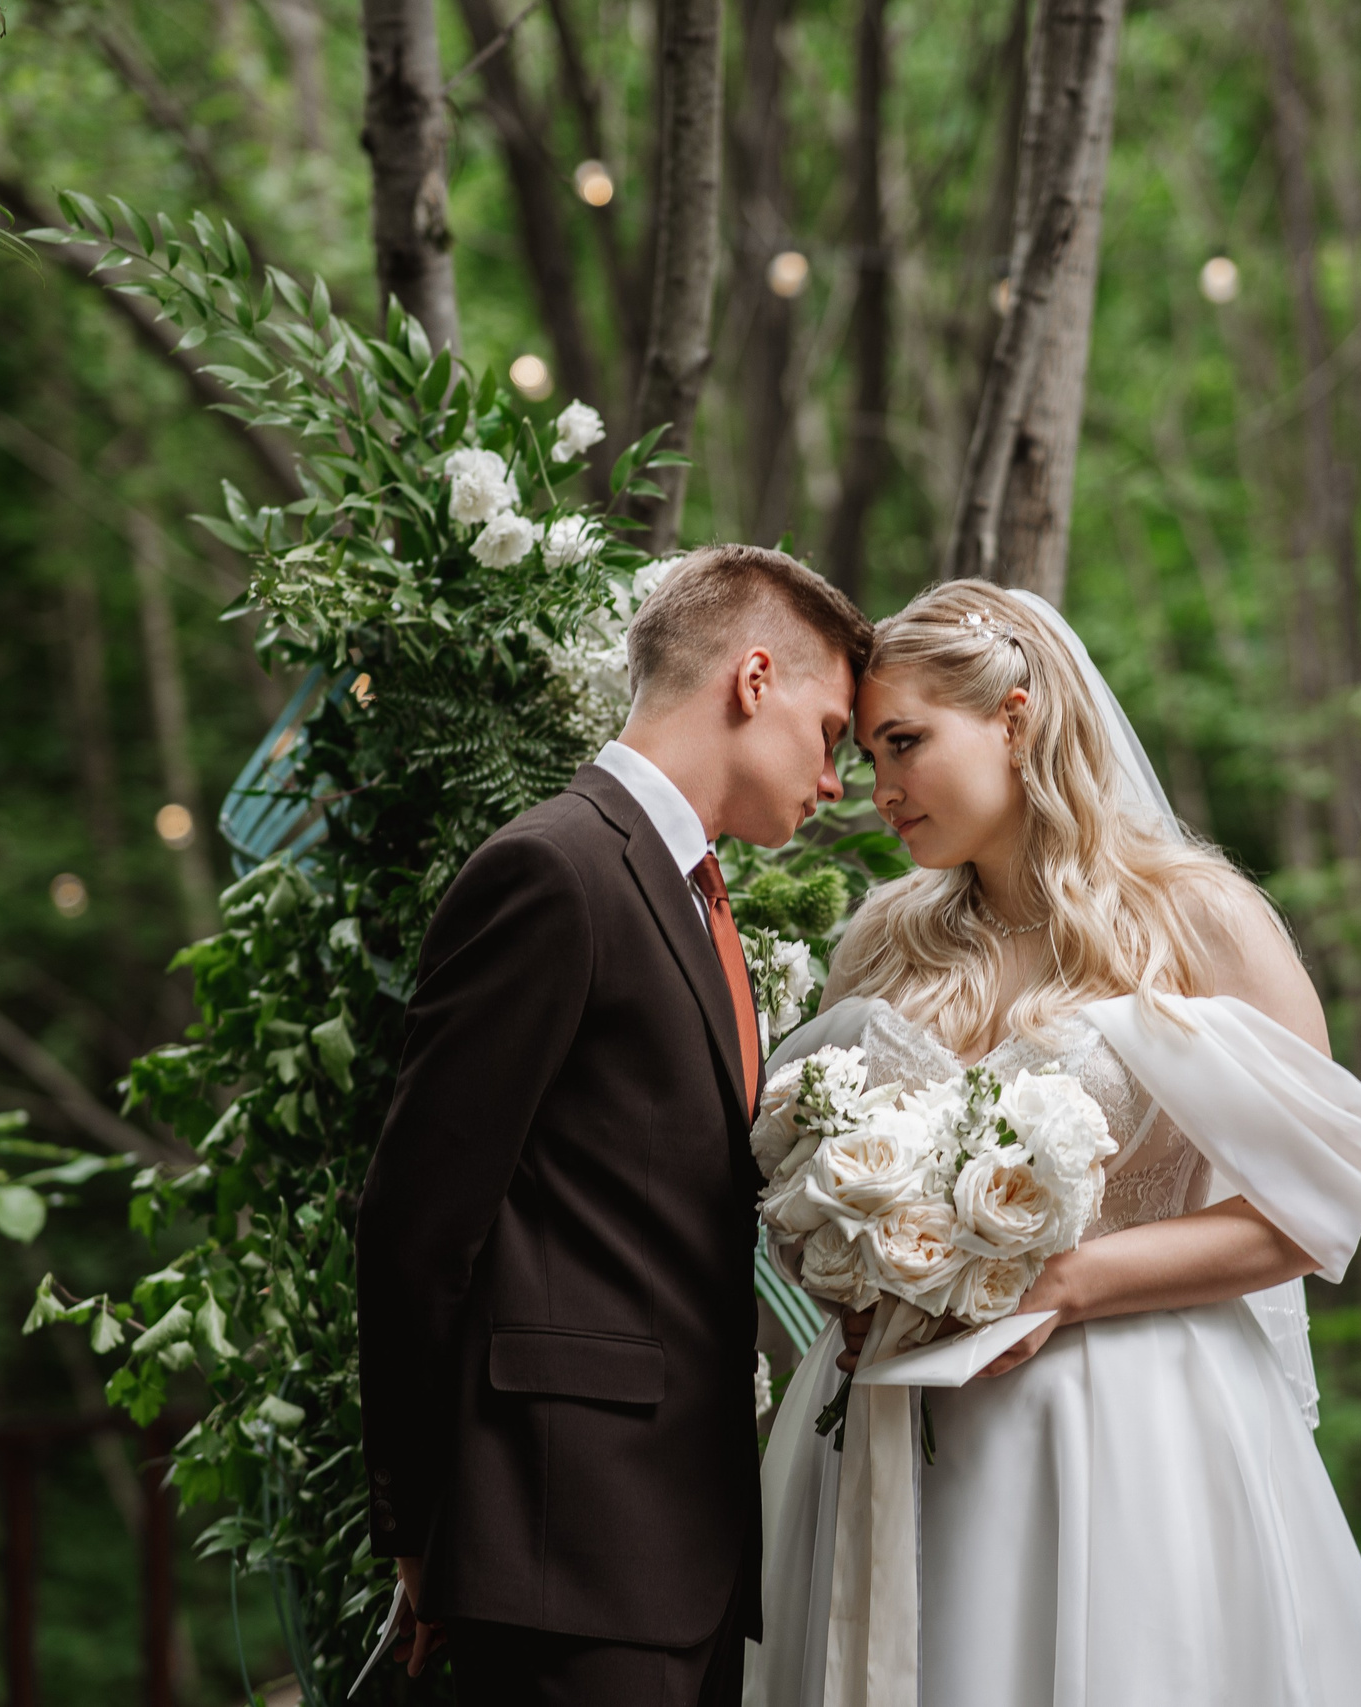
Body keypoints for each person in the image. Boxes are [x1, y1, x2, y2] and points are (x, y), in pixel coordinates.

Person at [750, 581, 1361, 1707]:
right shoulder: (882, 941)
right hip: (891, 1424)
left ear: (1013, 719)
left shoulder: (1200, 919)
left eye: (905, 743)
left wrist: (1062, 1280)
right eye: (867, 755)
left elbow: (1318, 1201)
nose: (880, 791)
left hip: (1133, 1422)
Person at [355, 544, 873, 1707]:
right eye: (833, 733)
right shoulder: (554, 871)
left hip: (674, 1547)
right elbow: (415, 1223)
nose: (837, 779)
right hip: (558, 1547)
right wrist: (422, 1531)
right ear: (752, 679)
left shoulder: (691, 895)